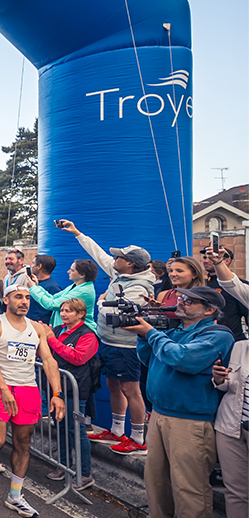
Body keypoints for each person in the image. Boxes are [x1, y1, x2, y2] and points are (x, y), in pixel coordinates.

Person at [127, 284, 234, 518]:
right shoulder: (175, 331)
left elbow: (183, 358)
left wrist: (152, 334)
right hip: (159, 414)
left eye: (189, 301)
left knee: (189, 488)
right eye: (182, 298)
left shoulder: (218, 335)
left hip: (190, 421)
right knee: (156, 482)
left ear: (209, 310)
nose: (181, 302)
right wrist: (143, 337)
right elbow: (148, 359)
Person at [56, 220, 154, 456]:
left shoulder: (141, 287)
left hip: (126, 346)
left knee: (131, 389)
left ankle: (138, 438)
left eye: (119, 257)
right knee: (113, 385)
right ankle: (117, 430)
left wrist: (101, 302)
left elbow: (116, 314)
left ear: (129, 264)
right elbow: (98, 254)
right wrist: (78, 233)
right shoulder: (120, 274)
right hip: (109, 342)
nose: (114, 260)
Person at [0, 286, 65, 518]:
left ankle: (15, 495)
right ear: (6, 300)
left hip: (28, 389)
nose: (24, 301)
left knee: (23, 442)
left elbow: (48, 361)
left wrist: (57, 394)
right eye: (18, 297)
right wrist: (4, 389)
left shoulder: (37, 328)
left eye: (27, 298)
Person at [44, 298, 98, 491]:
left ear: (81, 314)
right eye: (62, 310)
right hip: (57, 387)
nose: (64, 314)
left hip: (75, 389)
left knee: (77, 430)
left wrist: (51, 340)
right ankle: (63, 465)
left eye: (69, 311)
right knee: (61, 427)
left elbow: (78, 358)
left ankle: (85, 473)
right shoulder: (58, 330)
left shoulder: (88, 335)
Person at [210, 253, 249, 518]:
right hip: (231, 428)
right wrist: (219, 379)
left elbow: (235, 285)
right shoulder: (240, 347)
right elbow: (226, 386)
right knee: (236, 492)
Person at [26, 260, 97, 330]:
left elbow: (52, 304)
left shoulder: (83, 291)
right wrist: (36, 286)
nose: (68, 271)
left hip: (80, 330)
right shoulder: (75, 286)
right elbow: (53, 298)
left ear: (82, 274)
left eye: (72, 270)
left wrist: (33, 288)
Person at [204, 246, 249, 341]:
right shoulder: (201, 284)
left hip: (232, 338)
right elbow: (230, 283)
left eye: (211, 256)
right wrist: (218, 262)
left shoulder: (241, 285)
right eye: (205, 257)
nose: (207, 260)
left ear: (227, 261)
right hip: (204, 337)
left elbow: (230, 284)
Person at [25, 256, 60, 324]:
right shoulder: (34, 283)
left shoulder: (53, 287)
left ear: (39, 266)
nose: (31, 266)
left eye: (33, 264)